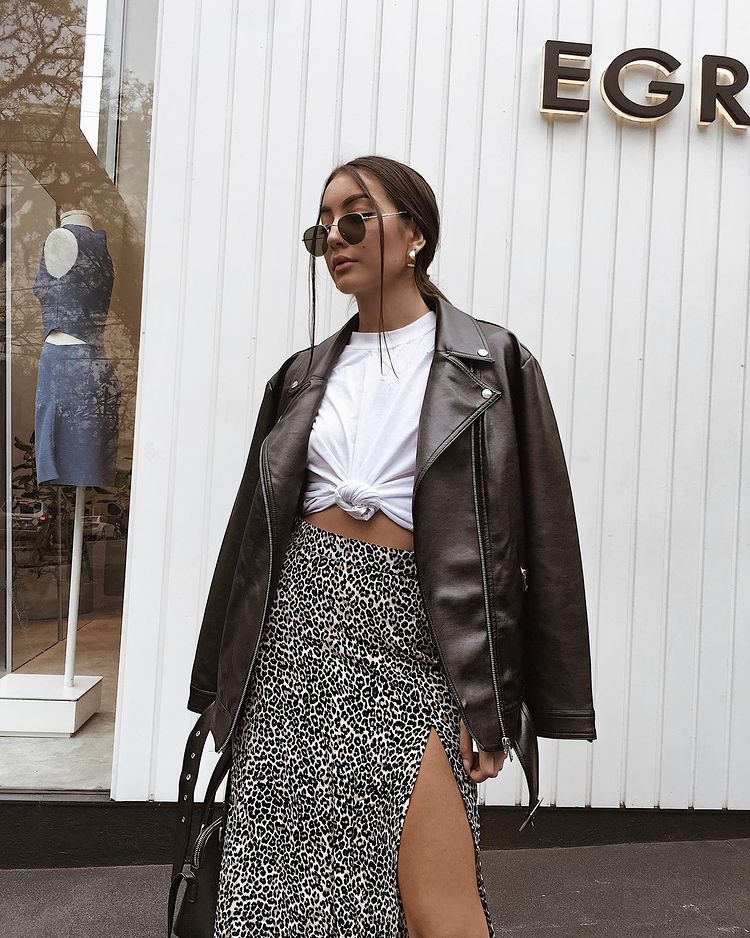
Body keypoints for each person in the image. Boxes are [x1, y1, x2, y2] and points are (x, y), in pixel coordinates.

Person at [190, 154, 597, 938]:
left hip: (417, 639)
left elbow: (546, 544)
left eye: (355, 217)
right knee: (284, 900)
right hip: (296, 638)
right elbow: (249, 541)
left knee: (440, 904)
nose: (335, 239)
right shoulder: (301, 376)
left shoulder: (494, 365)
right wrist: (221, 690)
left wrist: (505, 708)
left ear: (414, 234)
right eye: (323, 228)